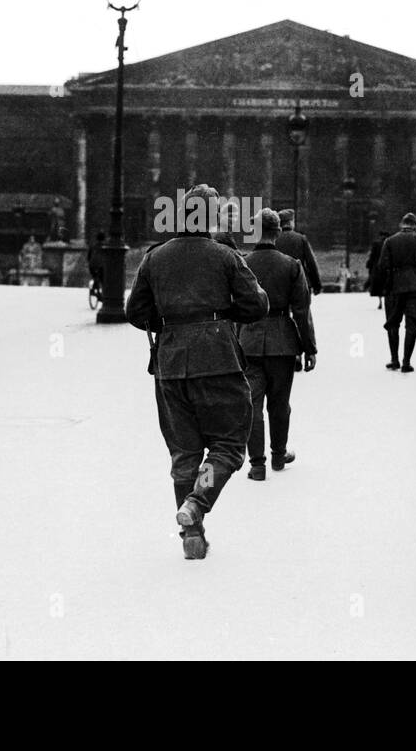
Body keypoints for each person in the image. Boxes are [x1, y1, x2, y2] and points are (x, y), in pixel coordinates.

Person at [126, 183, 268, 561]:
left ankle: (192, 533)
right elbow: (256, 305)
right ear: (210, 219)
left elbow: (134, 312)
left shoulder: (154, 258)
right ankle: (198, 501)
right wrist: (222, 315)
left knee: (184, 453)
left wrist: (170, 321)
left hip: (170, 365)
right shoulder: (224, 256)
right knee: (228, 445)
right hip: (218, 359)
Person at [239, 209, 317, 481]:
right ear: (278, 232)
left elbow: (233, 307)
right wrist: (309, 348)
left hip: (248, 341)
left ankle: (257, 463)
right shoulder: (291, 265)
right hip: (283, 340)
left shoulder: (243, 263)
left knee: (252, 404)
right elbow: (302, 311)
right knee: (280, 403)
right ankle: (278, 454)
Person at [376, 213, 416, 373]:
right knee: (412, 324)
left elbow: (382, 265)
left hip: (394, 286)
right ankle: (406, 361)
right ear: (415, 225)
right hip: (415, 286)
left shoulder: (390, 241)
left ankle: (394, 360)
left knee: (392, 323)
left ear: (402, 225)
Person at [275, 209, 322, 294]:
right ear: (290, 222)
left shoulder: (274, 240)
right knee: (302, 307)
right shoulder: (301, 239)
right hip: (301, 284)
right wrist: (317, 284)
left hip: (281, 286)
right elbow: (310, 263)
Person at [366, 230, 390, 309]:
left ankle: (380, 302)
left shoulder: (376, 244)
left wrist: (369, 265)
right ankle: (387, 300)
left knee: (379, 285)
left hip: (377, 267)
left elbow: (372, 256)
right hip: (387, 267)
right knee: (387, 284)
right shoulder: (390, 243)